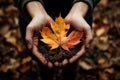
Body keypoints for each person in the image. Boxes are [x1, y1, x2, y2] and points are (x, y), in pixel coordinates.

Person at [13, 0, 100, 80]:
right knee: (40, 59)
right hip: (31, 15)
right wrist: (34, 8)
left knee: (72, 61)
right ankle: (45, 74)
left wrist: (81, 7)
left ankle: (70, 74)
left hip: (80, 17)